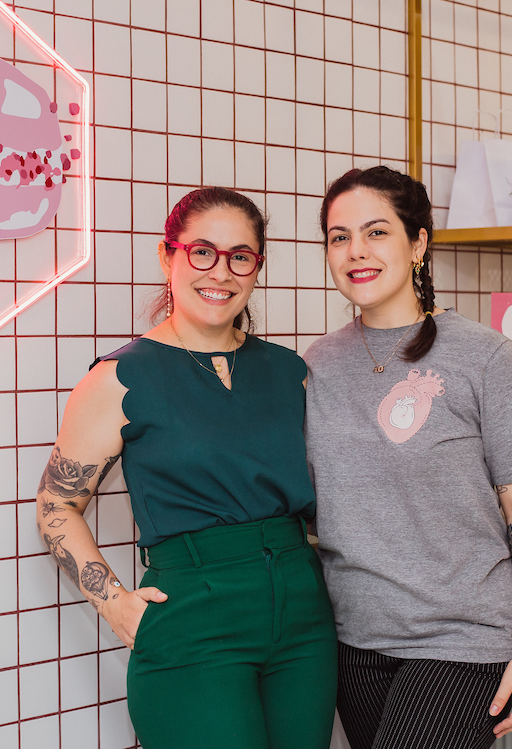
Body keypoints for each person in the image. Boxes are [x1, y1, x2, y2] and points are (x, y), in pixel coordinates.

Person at [34, 187, 338, 749]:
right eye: (203, 251)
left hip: (303, 616)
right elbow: (56, 505)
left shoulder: (289, 371)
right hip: (194, 614)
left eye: (240, 256)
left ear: (256, 268)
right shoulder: (120, 378)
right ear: (167, 256)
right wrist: (114, 604)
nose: (220, 272)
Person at [303, 166, 512, 749]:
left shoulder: (484, 357)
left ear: (418, 243)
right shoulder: (318, 365)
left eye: (376, 232)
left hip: (460, 642)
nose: (355, 252)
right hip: (354, 642)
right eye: (339, 237)